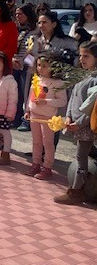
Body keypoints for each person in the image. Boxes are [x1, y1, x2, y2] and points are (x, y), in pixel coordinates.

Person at [54, 41, 97, 205]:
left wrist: (79, 122)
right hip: (76, 123)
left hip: (86, 126)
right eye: (80, 55)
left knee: (81, 156)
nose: (82, 59)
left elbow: (92, 106)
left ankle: (76, 191)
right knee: (83, 154)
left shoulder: (95, 80)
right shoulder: (82, 75)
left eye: (86, 56)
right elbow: (73, 98)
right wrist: (69, 116)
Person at [23, 55, 67, 180]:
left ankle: (47, 167)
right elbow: (30, 96)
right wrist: (27, 110)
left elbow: (63, 101)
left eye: (44, 66)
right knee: (36, 142)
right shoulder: (36, 78)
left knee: (47, 143)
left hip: (48, 117)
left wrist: (46, 101)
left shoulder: (58, 83)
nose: (40, 68)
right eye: (38, 65)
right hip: (34, 115)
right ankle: (35, 164)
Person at [12, 3, 38, 130]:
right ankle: (16, 117)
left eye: (20, 14)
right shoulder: (16, 29)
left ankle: (26, 120)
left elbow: (35, 51)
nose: (18, 16)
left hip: (27, 67)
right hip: (14, 64)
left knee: (26, 93)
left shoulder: (35, 31)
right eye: (16, 14)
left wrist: (24, 62)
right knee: (16, 94)